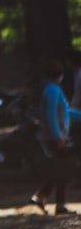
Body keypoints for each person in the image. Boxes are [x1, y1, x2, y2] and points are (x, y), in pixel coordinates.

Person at [31, 59, 81, 215]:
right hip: (54, 137)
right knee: (63, 168)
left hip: (55, 136)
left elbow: (65, 112)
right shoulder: (52, 90)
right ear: (59, 76)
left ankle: (41, 196)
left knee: (59, 168)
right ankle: (58, 204)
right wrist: (58, 137)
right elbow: (50, 116)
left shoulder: (51, 89)